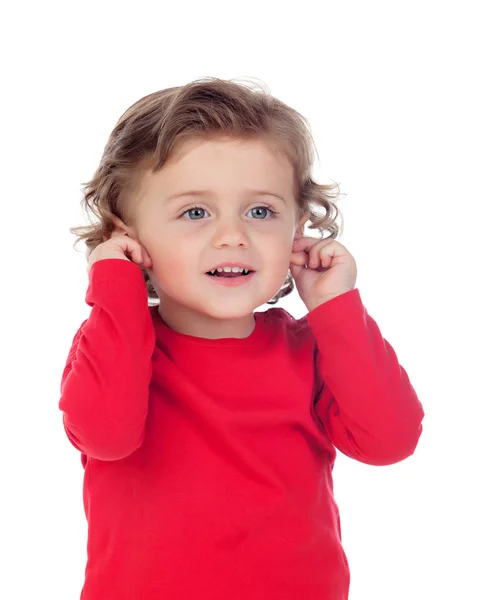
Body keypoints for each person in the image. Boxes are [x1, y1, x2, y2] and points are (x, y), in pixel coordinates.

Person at [60, 77, 425, 600]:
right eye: (195, 212)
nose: (233, 236)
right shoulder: (112, 343)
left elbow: (391, 440)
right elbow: (105, 435)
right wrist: (116, 288)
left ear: (298, 226)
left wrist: (335, 307)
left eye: (260, 212)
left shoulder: (312, 349)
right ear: (128, 237)